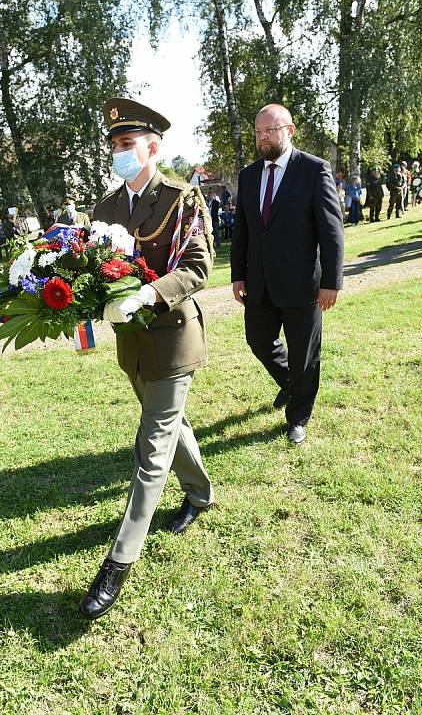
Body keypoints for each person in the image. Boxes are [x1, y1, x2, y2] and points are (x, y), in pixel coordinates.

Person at [79, 96, 215, 620]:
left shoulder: (183, 199)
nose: (119, 152)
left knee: (151, 450)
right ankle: (201, 493)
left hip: (174, 337)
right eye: (113, 145)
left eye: (127, 144)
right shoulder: (106, 209)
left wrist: (150, 293)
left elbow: (199, 267)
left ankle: (117, 563)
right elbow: (90, 273)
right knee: (172, 425)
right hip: (131, 347)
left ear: (153, 147)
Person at [230, 103, 344, 444]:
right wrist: (238, 275)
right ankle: (292, 386)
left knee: (304, 354)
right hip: (260, 284)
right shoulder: (249, 175)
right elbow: (243, 231)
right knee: (259, 341)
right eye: (258, 132)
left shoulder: (314, 170)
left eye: (271, 130)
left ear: (289, 130)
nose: (263, 137)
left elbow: (331, 231)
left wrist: (330, 283)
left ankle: (298, 417)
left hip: (303, 284)